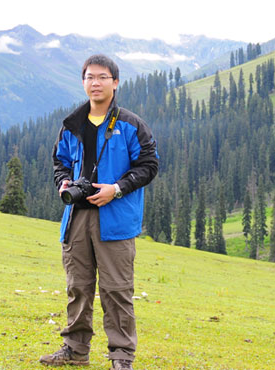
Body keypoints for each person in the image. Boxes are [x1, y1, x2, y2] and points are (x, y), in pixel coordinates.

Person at [41, 54, 158, 370]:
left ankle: (121, 356)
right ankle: (75, 350)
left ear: (115, 82)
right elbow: (59, 162)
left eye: (102, 77)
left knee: (117, 289)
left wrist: (116, 189)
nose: (95, 82)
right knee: (77, 286)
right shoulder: (71, 125)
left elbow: (149, 166)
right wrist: (64, 183)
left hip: (116, 218)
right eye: (89, 77)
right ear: (83, 82)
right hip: (76, 217)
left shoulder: (132, 125)